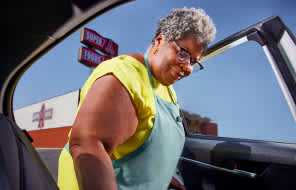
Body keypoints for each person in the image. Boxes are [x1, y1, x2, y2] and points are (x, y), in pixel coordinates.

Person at [58, 7, 216, 190]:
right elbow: (86, 145)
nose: (188, 68)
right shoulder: (123, 76)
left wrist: (162, 179)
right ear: (159, 41)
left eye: (194, 61)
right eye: (184, 54)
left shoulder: (167, 90)